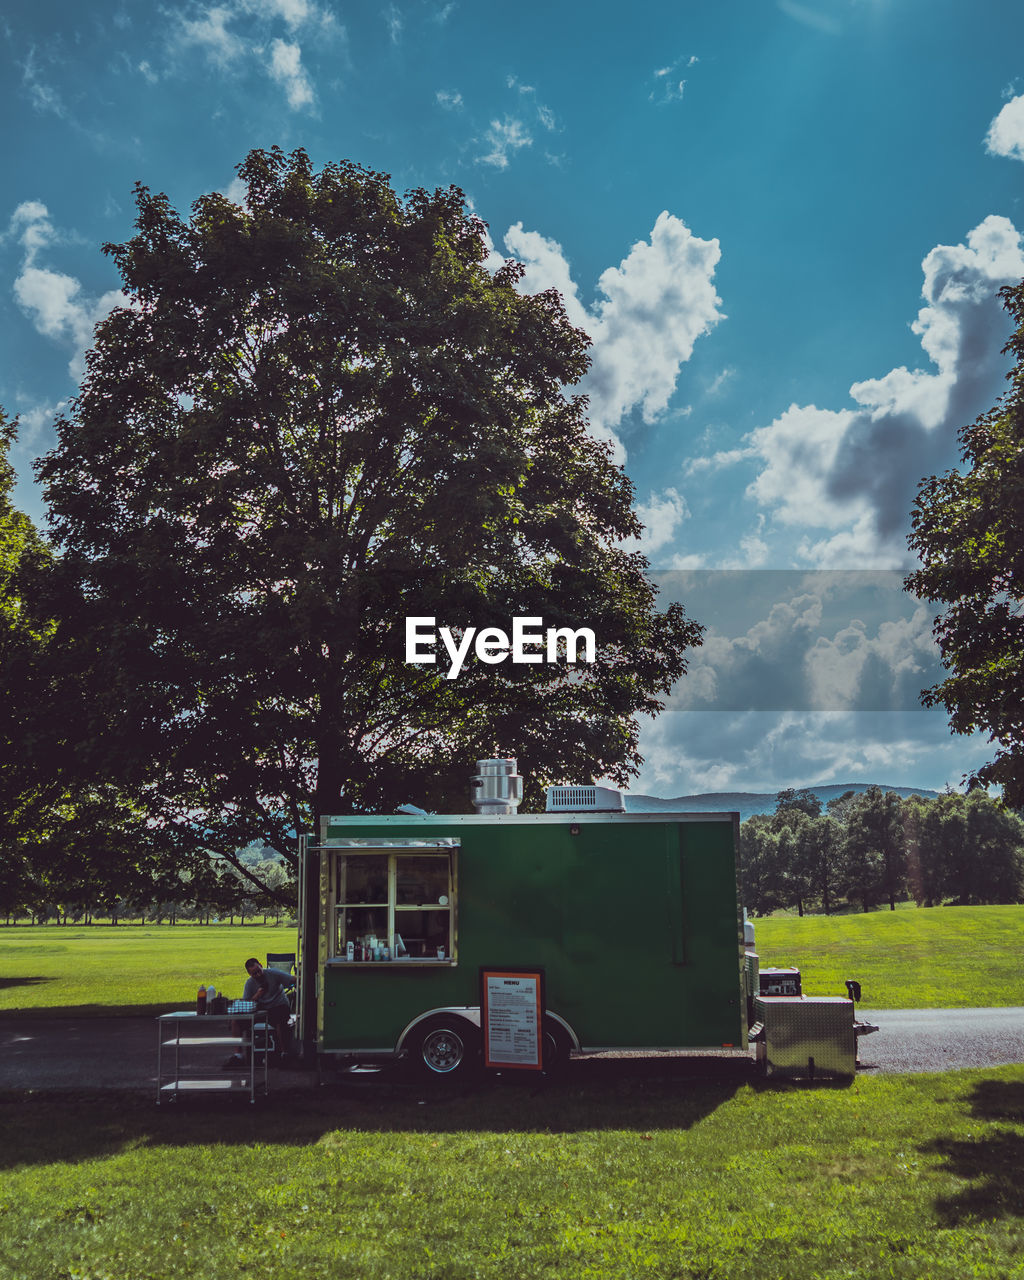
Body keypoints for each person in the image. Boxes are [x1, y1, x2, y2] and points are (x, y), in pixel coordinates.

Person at [226, 958, 296, 1069]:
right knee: (235, 1021)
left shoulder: (273, 973)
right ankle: (238, 1055)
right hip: (261, 1010)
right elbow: (247, 1004)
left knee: (280, 1020)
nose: (258, 974)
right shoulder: (249, 984)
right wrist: (257, 995)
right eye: (254, 973)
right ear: (249, 974)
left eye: (259, 971)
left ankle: (284, 1054)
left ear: (261, 965)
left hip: (278, 1006)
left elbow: (293, 979)